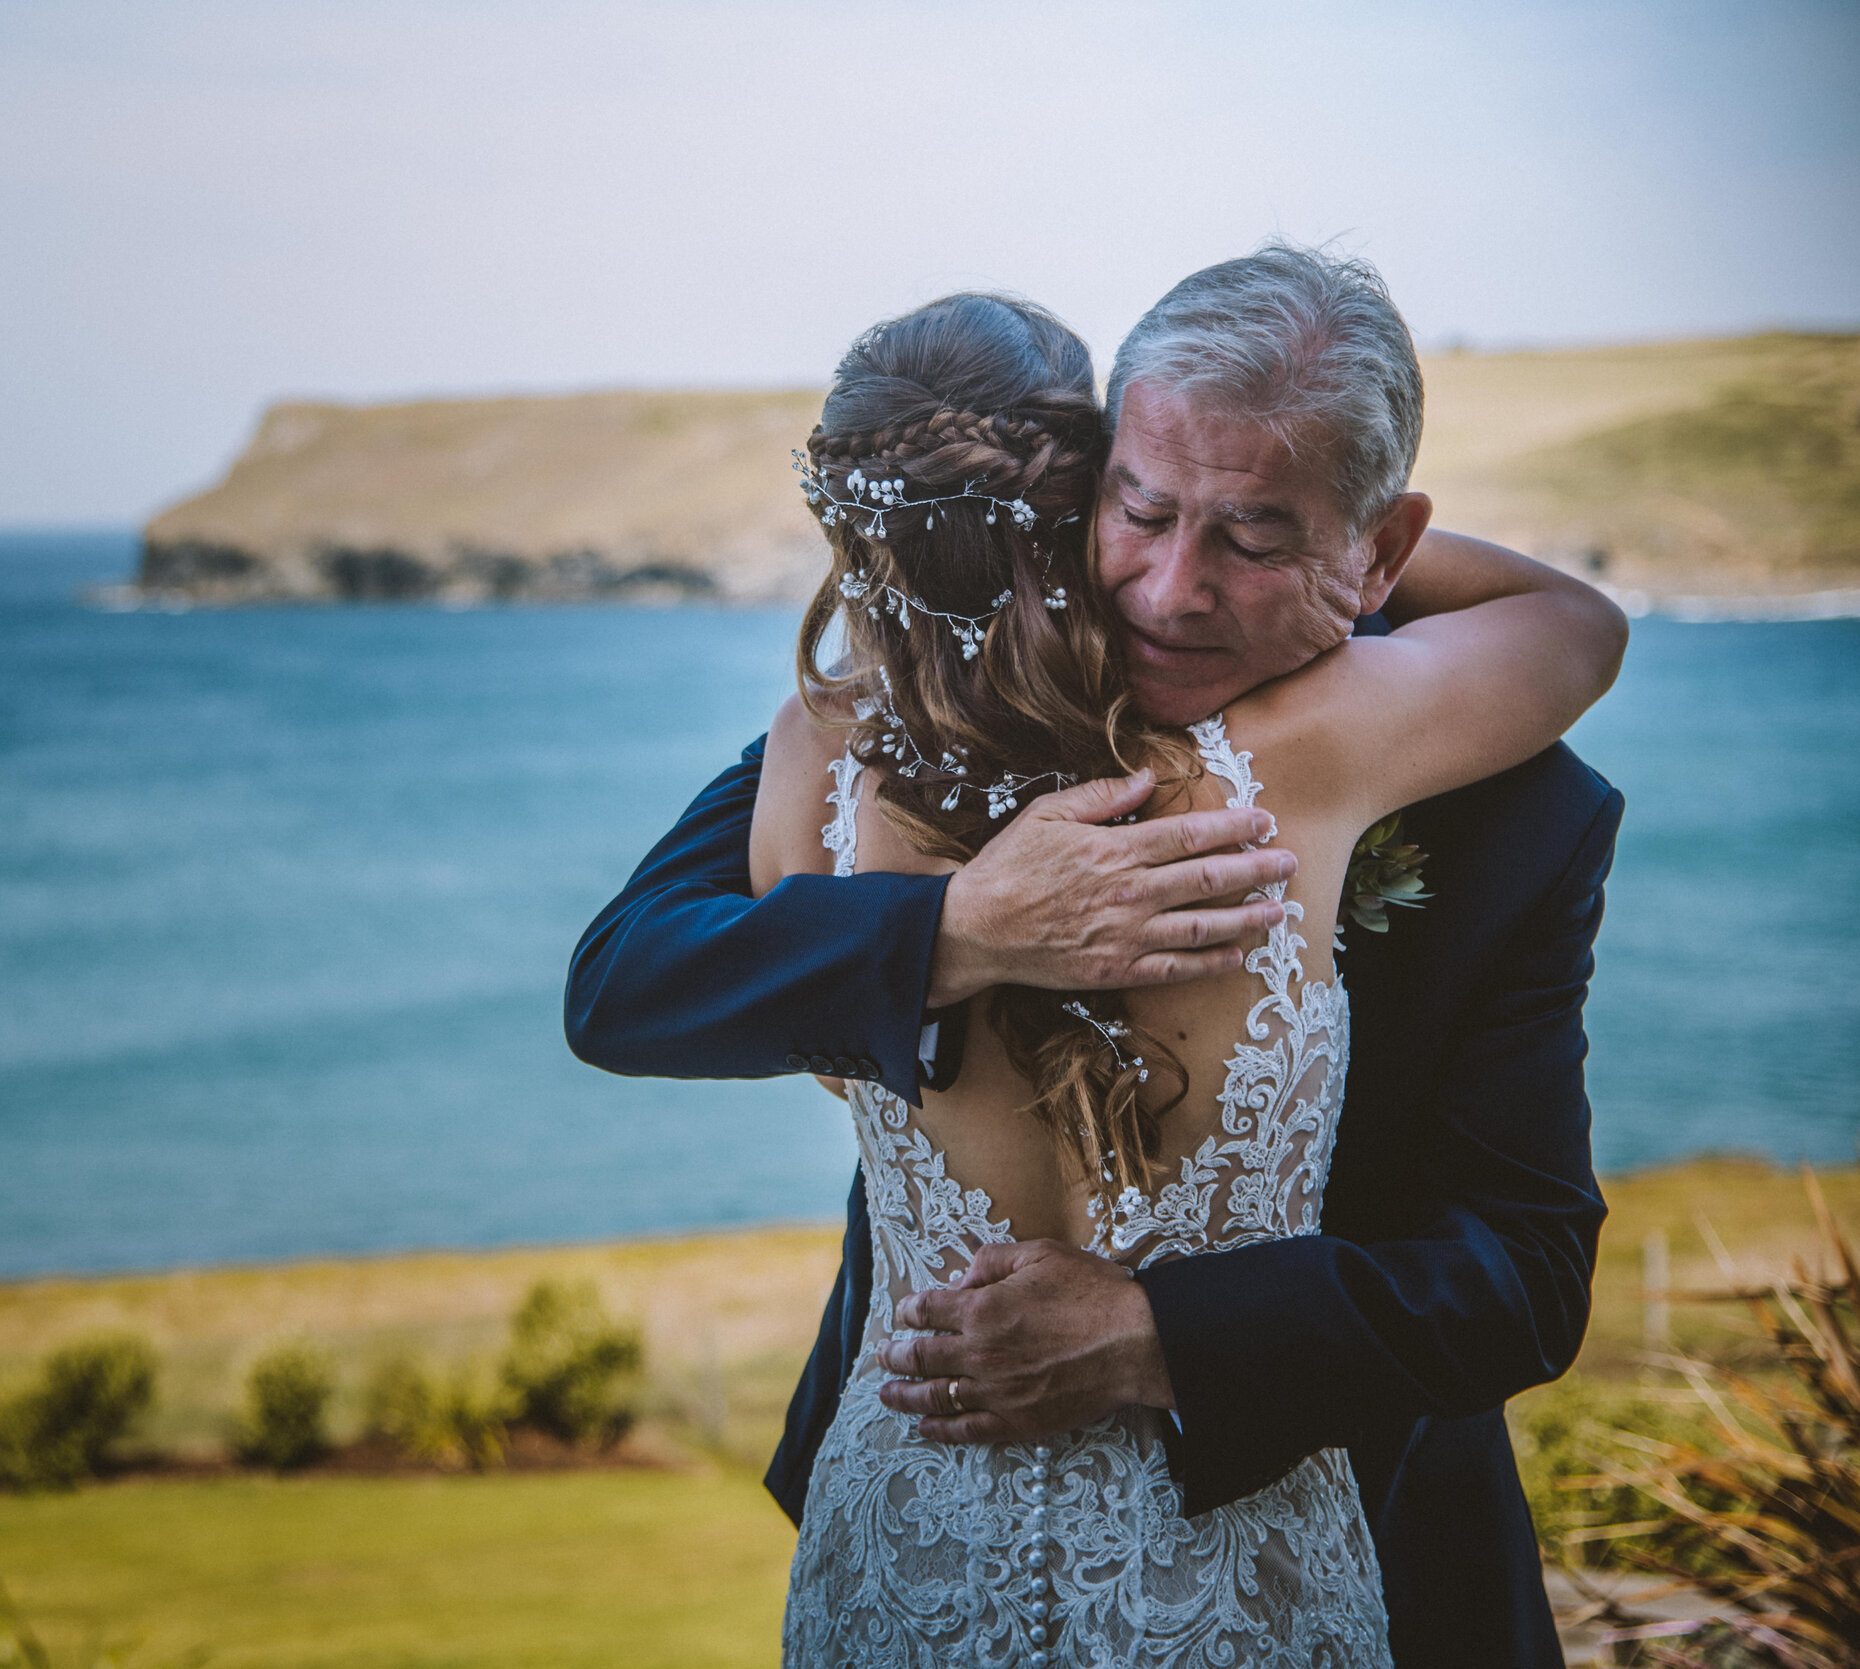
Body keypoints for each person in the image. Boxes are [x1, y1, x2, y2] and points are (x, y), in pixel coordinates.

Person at [566, 246, 1626, 1666]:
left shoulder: (1493, 793)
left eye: (1255, 536)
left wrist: (1158, 1334)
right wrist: (956, 933)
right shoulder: (876, 722)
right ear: (1078, 495)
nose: (1172, 590)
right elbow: (632, 974)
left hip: (1337, 1507)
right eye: (1137, 509)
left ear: (1376, 544)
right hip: (922, 1524)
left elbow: (1527, 1271)